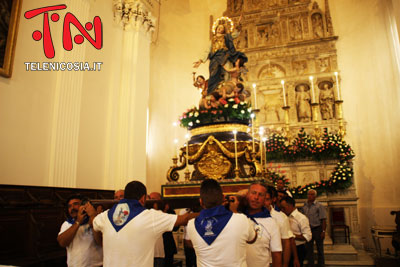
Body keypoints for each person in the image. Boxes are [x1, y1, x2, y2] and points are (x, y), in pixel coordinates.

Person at [92, 181, 197, 267]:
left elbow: (95, 226)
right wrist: (209, 212)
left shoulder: (105, 216)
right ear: (143, 198)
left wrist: (102, 243)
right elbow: (184, 219)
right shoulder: (150, 217)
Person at [186, 179, 257, 267]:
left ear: (201, 201)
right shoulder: (241, 220)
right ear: (223, 198)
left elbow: (190, 243)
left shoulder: (191, 225)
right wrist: (234, 211)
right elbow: (252, 238)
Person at [193, 17, 248, 94]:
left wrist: (239, 25)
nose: (219, 29)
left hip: (225, 57)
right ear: (216, 29)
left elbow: (235, 35)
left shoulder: (226, 37)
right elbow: (207, 51)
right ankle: (214, 93)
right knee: (213, 74)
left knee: (227, 74)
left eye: (221, 28)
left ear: (224, 30)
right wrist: (200, 61)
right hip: (215, 59)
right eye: (218, 27)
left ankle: (227, 92)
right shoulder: (212, 40)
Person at [57, 194, 102, 267]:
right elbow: (62, 243)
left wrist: (93, 216)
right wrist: (78, 222)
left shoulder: (95, 220)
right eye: (69, 206)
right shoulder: (67, 224)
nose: (72, 208)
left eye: (75, 204)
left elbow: (100, 241)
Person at [244, 182, 282, 267]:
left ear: (265, 198)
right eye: (253, 193)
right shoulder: (238, 218)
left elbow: (276, 254)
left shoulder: (272, 223)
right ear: (247, 195)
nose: (256, 197)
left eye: (260, 195)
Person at [266, 186, 296, 267]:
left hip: (273, 261)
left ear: (273, 199)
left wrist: (285, 264)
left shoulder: (281, 217)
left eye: (267, 199)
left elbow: (286, 243)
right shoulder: (249, 215)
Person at [280, 196, 312, 267]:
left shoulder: (301, 218)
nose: (282, 210)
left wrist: (292, 235)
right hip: (287, 247)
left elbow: (308, 236)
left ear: (290, 205)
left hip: (298, 248)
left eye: (283, 208)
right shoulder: (285, 216)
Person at [149, 192, 178, 267]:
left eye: (154, 199)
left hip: (167, 245)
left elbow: (175, 228)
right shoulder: (148, 213)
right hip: (154, 250)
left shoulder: (170, 211)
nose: (152, 201)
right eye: (151, 199)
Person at [302, 189, 327, 267]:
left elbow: (323, 219)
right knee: (309, 248)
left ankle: (321, 264)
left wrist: (323, 231)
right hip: (308, 229)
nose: (310, 196)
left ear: (315, 196)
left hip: (317, 228)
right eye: (309, 194)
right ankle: (311, 264)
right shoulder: (305, 205)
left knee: (320, 248)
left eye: (312, 194)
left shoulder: (319, 205)